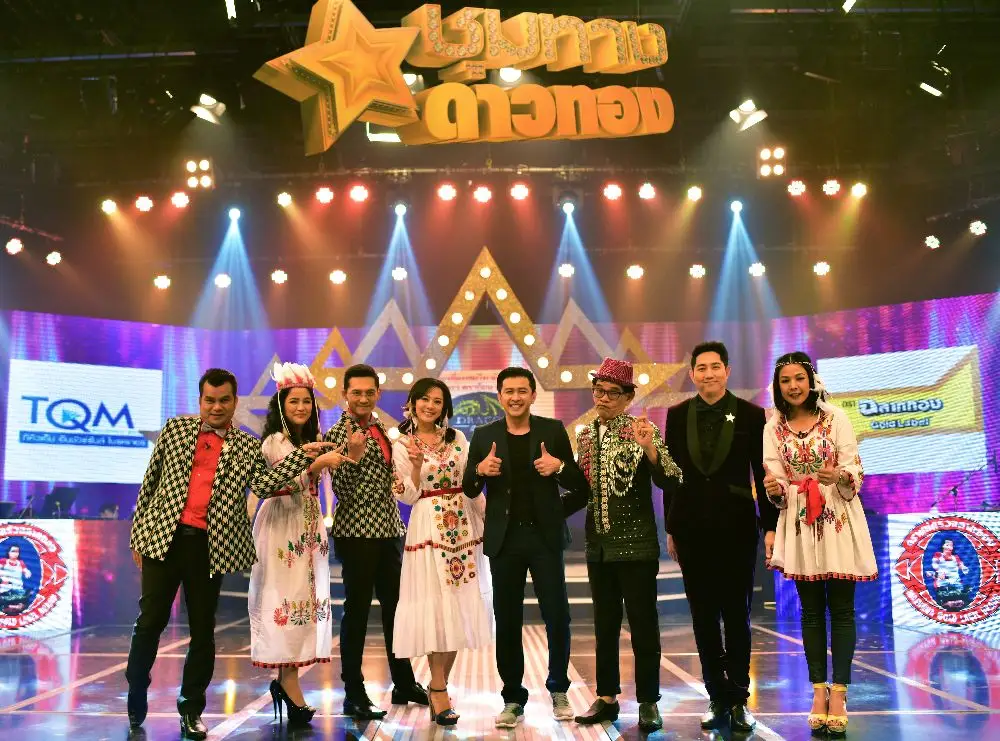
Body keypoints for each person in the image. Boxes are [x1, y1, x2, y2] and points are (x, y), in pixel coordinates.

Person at [126, 368, 325, 740]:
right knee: (150, 620)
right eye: (209, 400)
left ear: (234, 402)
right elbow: (149, 482)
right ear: (200, 400)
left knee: (203, 630)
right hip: (163, 539)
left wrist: (301, 457)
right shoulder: (175, 429)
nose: (216, 407)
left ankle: (191, 709)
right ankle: (136, 685)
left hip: (208, 546)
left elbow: (264, 484)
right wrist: (138, 537)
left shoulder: (246, 445)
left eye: (223, 401)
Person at [462, 367, 588, 729]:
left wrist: (558, 468)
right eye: (509, 391)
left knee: (557, 616)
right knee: (507, 619)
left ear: (533, 395)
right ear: (499, 396)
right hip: (505, 540)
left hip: (544, 538)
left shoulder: (552, 430)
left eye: (522, 391)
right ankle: (513, 698)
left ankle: (559, 689)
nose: (515, 397)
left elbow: (580, 487)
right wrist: (480, 470)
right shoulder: (484, 435)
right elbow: (469, 488)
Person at [663, 341, 777, 733]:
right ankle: (716, 695)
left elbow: (762, 474)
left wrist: (770, 527)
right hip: (691, 529)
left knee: (737, 615)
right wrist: (671, 527)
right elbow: (671, 475)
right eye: (701, 368)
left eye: (715, 367)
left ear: (727, 371)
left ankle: (740, 698)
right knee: (703, 617)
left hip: (737, 528)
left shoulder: (751, 414)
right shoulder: (677, 415)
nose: (708, 374)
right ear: (691, 374)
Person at [763, 351, 877, 735]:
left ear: (811, 380)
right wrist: (775, 490)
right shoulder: (773, 427)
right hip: (799, 521)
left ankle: (839, 692)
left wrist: (839, 476)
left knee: (842, 610)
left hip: (838, 517)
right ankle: (817, 691)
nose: (793, 386)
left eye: (799, 378)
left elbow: (855, 468)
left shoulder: (836, 417)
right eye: (785, 381)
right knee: (810, 612)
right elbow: (776, 482)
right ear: (777, 387)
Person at [572, 357, 683, 733]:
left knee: (643, 626)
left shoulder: (641, 429)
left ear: (627, 397)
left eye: (612, 392)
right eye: (598, 390)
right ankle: (606, 698)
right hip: (598, 547)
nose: (603, 398)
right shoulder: (585, 435)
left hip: (636, 546)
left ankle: (649, 701)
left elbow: (672, 479)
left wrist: (650, 449)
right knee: (604, 626)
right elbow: (582, 489)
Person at [322, 363, 428, 719]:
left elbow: (389, 477)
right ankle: (353, 692)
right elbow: (342, 490)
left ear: (378, 394)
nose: (364, 398)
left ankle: (404, 682)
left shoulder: (381, 427)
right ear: (345, 395)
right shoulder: (339, 433)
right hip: (357, 534)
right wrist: (351, 457)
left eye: (370, 392)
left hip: (388, 531)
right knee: (357, 612)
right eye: (357, 393)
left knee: (397, 609)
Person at [248, 363, 350, 725]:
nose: (301, 407)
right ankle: (288, 684)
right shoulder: (275, 442)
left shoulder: (311, 440)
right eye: (294, 401)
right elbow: (279, 484)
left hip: (307, 526)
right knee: (285, 601)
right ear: (281, 405)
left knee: (304, 603)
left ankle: (286, 682)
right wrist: (315, 464)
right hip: (282, 526)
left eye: (307, 401)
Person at [391, 378, 493, 725]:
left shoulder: (458, 439)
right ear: (412, 403)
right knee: (437, 610)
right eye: (424, 399)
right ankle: (439, 690)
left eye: (437, 401)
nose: (430, 406)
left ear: (445, 407)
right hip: (427, 528)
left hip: (463, 529)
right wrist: (416, 465)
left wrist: (487, 518)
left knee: (459, 608)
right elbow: (407, 495)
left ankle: (438, 686)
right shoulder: (401, 444)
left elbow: (470, 484)